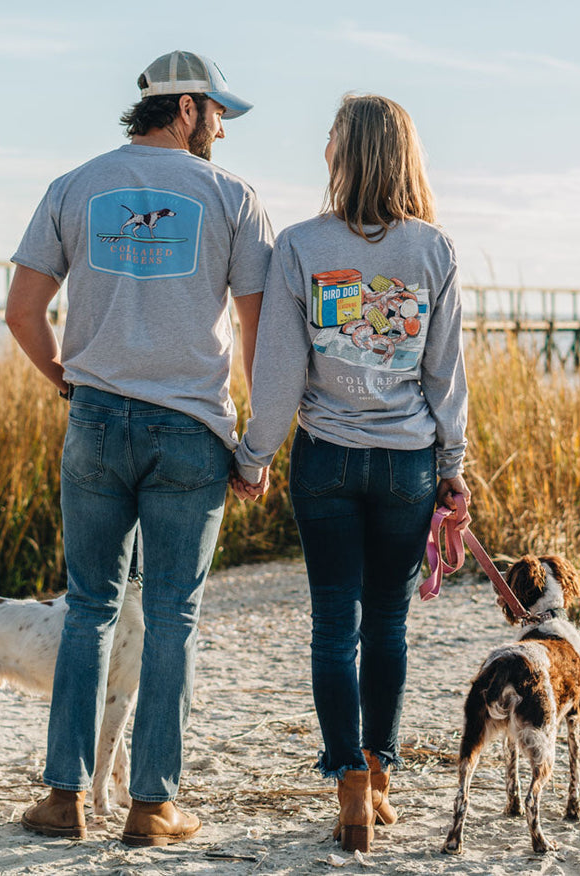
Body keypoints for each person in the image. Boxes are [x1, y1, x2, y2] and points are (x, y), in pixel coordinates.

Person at [5, 50, 273, 846]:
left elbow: (21, 312)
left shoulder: (75, 186)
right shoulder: (233, 197)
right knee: (171, 616)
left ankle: (63, 800)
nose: (222, 126)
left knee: (88, 608)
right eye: (217, 111)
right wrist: (254, 447)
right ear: (186, 108)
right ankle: (152, 807)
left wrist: (68, 381)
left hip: (95, 420)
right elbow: (258, 334)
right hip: (190, 429)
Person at [231, 94, 470, 853]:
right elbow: (445, 377)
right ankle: (379, 772)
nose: (325, 147)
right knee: (388, 623)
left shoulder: (300, 245)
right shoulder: (433, 249)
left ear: (346, 151)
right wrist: (453, 466)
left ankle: (350, 789)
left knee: (335, 625)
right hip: (406, 463)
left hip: (326, 459)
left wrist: (254, 456)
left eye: (331, 137)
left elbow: (278, 374)